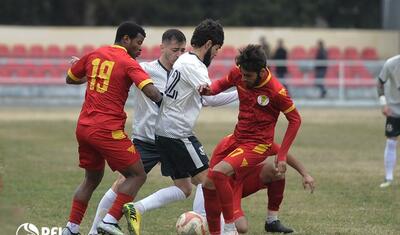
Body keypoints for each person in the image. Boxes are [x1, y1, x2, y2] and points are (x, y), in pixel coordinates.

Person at [87, 28, 237, 235]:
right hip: (147, 139)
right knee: (123, 183)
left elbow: (205, 99)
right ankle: (95, 231)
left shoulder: (184, 70)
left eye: (182, 50)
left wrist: (239, 93)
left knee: (186, 187)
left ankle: (197, 220)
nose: (178, 54)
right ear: (162, 47)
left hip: (167, 136)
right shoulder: (144, 69)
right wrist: (88, 69)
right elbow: (114, 72)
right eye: (175, 50)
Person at [121, 19, 227, 235]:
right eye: (216, 49)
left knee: (184, 187)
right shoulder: (194, 65)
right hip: (177, 133)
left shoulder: (185, 60)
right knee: (211, 182)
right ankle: (222, 229)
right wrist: (245, 91)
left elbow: (203, 98)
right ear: (208, 44)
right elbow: (211, 97)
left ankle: (136, 208)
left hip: (164, 131)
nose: (215, 54)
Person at [61, 21, 163, 235]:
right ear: (125, 39)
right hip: (107, 129)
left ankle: (71, 228)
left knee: (91, 178)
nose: (140, 48)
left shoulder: (94, 54)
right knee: (137, 175)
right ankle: (109, 220)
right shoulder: (127, 62)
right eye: (138, 42)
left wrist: (88, 70)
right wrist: (170, 100)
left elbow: (70, 78)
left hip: (84, 127)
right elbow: (152, 92)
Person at [199, 44, 302, 235]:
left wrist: (282, 155)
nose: (243, 79)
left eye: (248, 76)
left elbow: (295, 120)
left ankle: (229, 228)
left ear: (262, 71)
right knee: (208, 184)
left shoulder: (276, 91)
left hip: (257, 145)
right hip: (236, 138)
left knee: (220, 173)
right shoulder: (239, 73)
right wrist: (208, 90)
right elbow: (220, 85)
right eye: (242, 74)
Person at [377, 54, 400, 188]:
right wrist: (383, 103)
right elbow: (380, 82)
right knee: (391, 141)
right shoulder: (391, 63)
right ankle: (389, 178)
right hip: (394, 109)